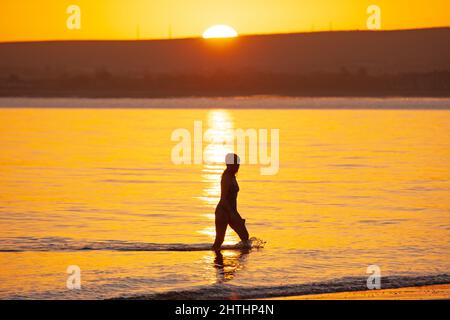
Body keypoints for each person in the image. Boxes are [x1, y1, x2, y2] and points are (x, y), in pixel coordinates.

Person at [212, 153, 250, 251]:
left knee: (245, 236)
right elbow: (223, 199)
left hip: (232, 211)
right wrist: (232, 214)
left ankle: (242, 263)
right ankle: (218, 264)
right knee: (219, 241)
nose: (238, 166)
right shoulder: (226, 178)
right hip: (223, 212)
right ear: (229, 164)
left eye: (238, 164)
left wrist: (235, 214)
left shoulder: (233, 176)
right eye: (236, 164)